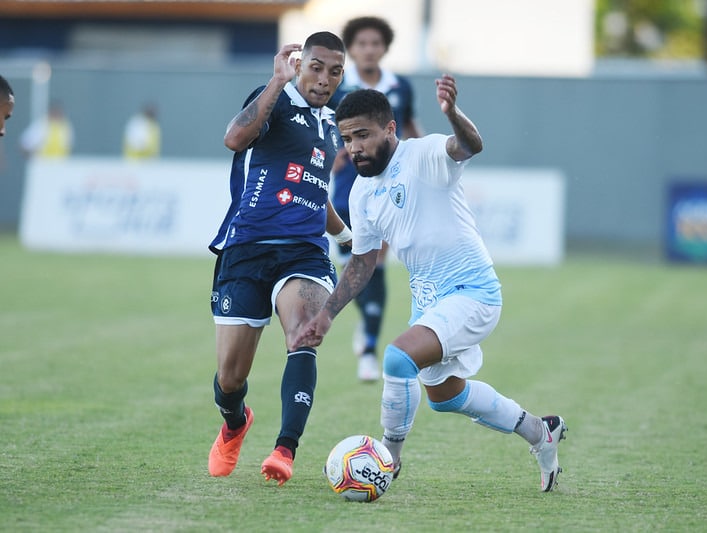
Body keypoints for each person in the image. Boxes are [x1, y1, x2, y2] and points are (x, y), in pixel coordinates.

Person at [295, 78, 568, 492]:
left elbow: (470, 145)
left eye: (363, 135)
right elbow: (363, 262)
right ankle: (538, 430)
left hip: (473, 292)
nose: (354, 148)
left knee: (397, 359)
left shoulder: (422, 154)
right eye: (347, 138)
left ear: (390, 129)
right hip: (429, 301)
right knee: (446, 396)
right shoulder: (363, 194)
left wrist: (452, 114)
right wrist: (327, 315)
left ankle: (387, 460)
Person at [207, 31, 350, 487]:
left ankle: (285, 449)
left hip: (305, 252)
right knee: (230, 378)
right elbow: (234, 138)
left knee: (304, 336)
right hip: (247, 247)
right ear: (298, 63)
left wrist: (346, 236)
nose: (325, 79)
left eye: (335, 71)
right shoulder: (277, 99)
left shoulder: (331, 125)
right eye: (316, 67)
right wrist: (275, 81)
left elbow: (315, 188)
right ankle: (234, 422)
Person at [328, 16, 423, 382]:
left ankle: (368, 348)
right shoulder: (337, 87)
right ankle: (365, 321)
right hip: (345, 188)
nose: (369, 49)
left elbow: (411, 128)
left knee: (375, 261)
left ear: (384, 48)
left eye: (375, 43)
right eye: (361, 43)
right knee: (350, 264)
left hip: (387, 187)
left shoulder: (400, 87)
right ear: (351, 49)